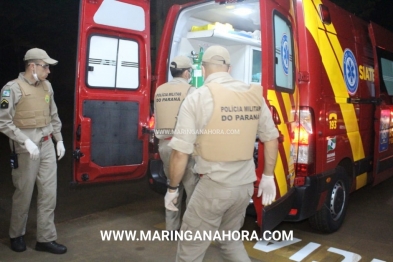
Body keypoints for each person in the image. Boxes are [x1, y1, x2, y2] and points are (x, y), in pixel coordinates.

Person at [165, 45, 279, 261]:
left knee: (190, 249)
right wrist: (268, 176)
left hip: (214, 187)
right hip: (244, 186)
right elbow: (271, 138)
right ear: (229, 68)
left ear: (204, 69)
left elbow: (180, 153)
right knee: (230, 240)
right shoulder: (254, 96)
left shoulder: (197, 98)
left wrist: (172, 189)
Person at [0, 48, 67, 254]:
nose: (48, 70)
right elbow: (3, 121)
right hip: (25, 148)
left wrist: (59, 140)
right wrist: (24, 141)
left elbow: (53, 115)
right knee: (24, 192)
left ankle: (45, 239)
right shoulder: (12, 89)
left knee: (48, 194)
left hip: (47, 144)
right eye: (45, 66)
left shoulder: (47, 86)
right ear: (32, 66)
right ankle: (16, 234)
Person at [154, 55, 199, 232]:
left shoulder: (159, 90)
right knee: (191, 189)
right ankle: (190, 231)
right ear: (187, 72)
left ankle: (171, 229)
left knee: (172, 187)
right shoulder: (191, 91)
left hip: (164, 146)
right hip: (184, 147)